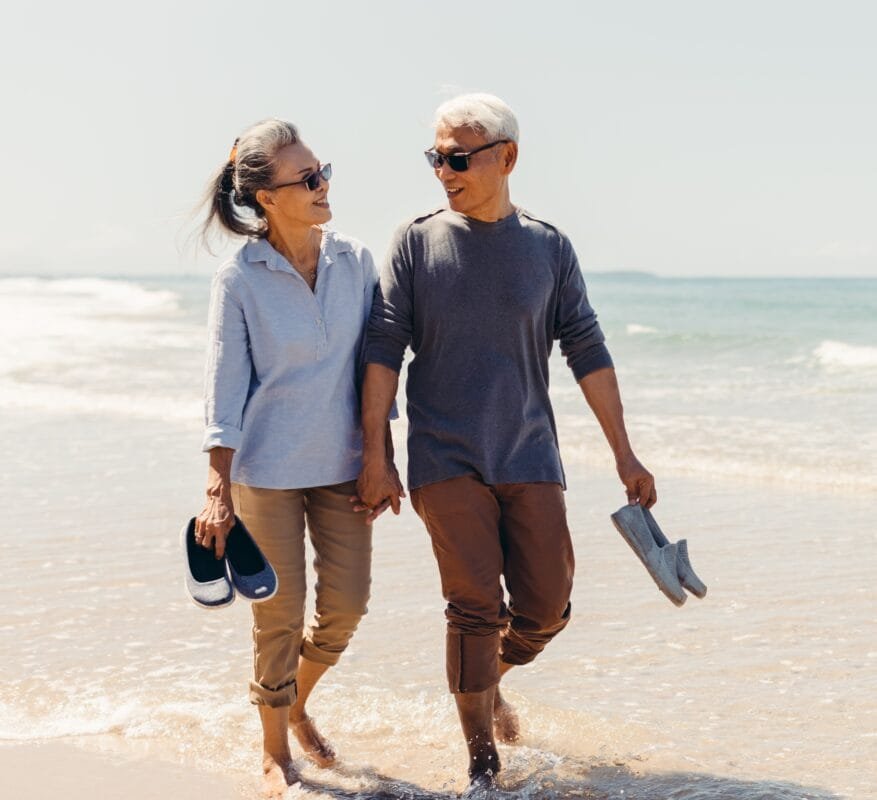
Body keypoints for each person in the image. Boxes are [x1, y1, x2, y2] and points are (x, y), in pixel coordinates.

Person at [357, 94, 656, 793]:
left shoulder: (547, 246)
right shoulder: (414, 240)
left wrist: (624, 452)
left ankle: (487, 678)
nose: (443, 170)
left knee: (547, 606)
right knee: (471, 605)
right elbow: (383, 345)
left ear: (507, 157)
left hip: (528, 452)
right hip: (442, 454)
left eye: (457, 158)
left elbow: (585, 346)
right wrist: (377, 453)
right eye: (435, 157)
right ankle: (481, 764)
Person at [195, 118, 390, 797]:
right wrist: (216, 489)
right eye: (307, 179)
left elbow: (376, 368)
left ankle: (295, 699)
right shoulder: (240, 277)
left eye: (322, 171)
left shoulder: (355, 259)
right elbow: (224, 388)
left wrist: (379, 455)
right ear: (266, 197)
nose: (322, 184)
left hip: (343, 465)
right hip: (266, 474)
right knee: (276, 617)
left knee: (347, 607)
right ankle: (275, 749)